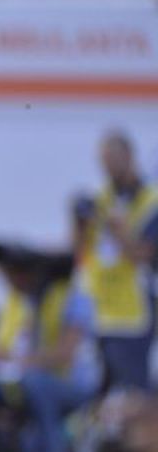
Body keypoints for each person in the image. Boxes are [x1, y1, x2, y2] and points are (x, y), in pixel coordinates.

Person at [0, 242, 100, 452]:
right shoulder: (17, 302)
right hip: (25, 379)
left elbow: (66, 354)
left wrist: (20, 360)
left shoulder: (74, 298)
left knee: (37, 384)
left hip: (75, 384)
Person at [73, 130, 158, 391]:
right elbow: (80, 251)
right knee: (101, 398)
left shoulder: (150, 201)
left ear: (130, 157)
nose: (108, 168)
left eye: (113, 160)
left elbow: (144, 254)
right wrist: (79, 222)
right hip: (99, 313)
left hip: (133, 314)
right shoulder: (102, 198)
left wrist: (118, 230)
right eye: (104, 162)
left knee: (133, 393)